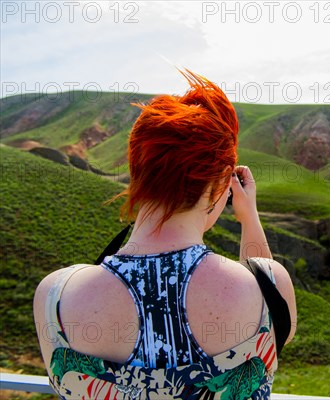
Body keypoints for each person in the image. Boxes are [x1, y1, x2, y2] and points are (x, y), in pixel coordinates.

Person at [33, 69, 297, 399]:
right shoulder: (270, 288)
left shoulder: (54, 297)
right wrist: (248, 216)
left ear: (135, 173)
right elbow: (270, 309)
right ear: (220, 186)